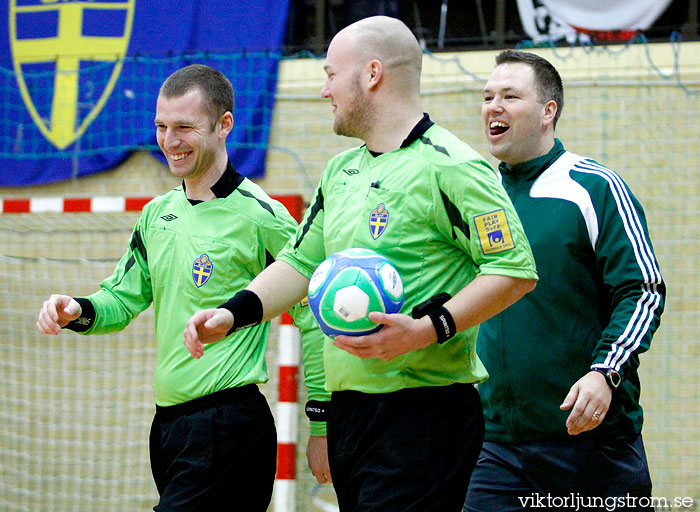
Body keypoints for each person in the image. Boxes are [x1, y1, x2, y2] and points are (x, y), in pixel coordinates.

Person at [184, 17, 538, 512]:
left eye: (331, 73)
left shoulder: (454, 167)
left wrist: (426, 329)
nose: (323, 89)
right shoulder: (342, 171)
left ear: (372, 74)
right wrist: (232, 313)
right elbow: (300, 264)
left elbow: (514, 270)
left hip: (424, 414)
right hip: (353, 413)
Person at [35, 64, 330, 511]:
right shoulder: (157, 214)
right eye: (161, 126)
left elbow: (314, 312)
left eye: (185, 127)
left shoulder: (262, 215)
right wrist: (76, 309)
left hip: (227, 424)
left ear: (224, 125)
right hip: (169, 428)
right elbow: (122, 298)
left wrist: (322, 422)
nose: (170, 141)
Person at [464, 50, 666, 512]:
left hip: (593, 448)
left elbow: (643, 292)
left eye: (510, 96)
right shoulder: (476, 197)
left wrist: (605, 372)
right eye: (488, 96)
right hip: (497, 449)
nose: (493, 106)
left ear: (548, 111)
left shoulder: (594, 187)